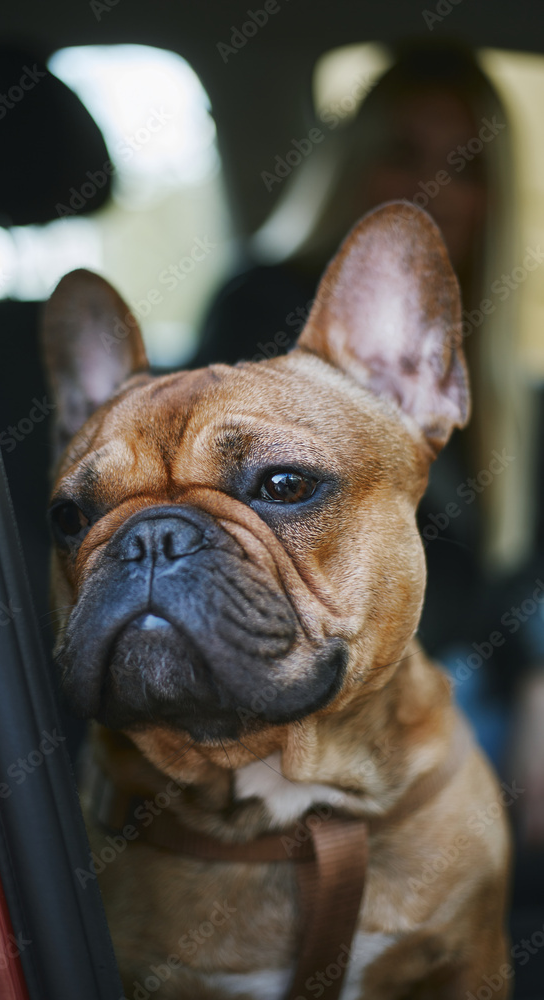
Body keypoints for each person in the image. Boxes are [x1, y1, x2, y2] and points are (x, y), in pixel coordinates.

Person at [195, 41, 544, 845]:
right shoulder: (264, 311)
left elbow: (522, 568)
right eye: (402, 156)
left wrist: (533, 689)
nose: (432, 189)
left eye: (463, 168)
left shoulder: (487, 367)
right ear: (350, 165)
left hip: (467, 684)